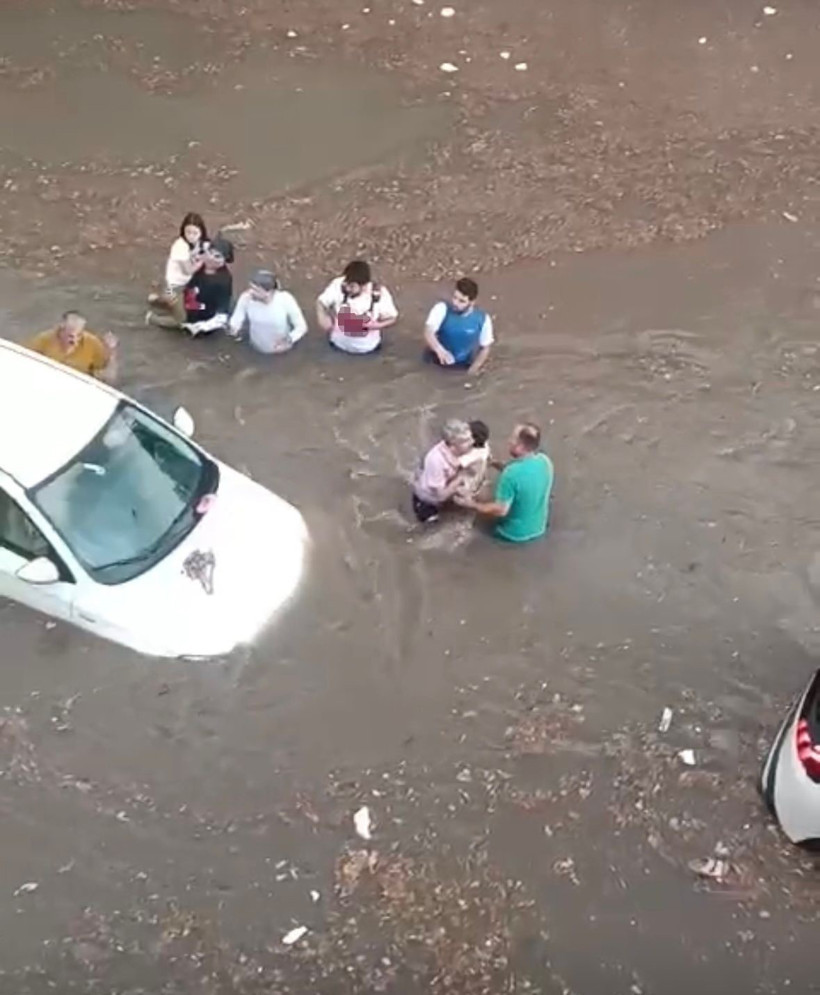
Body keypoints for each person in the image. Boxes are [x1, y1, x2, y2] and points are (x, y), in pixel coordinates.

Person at [456, 423, 553, 542]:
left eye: (512, 439)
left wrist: (471, 504)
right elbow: (522, 475)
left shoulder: (510, 474)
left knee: (474, 524)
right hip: (539, 528)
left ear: (521, 447)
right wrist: (495, 463)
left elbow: (501, 510)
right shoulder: (545, 461)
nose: (509, 441)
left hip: (513, 534)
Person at [147, 237, 234, 335]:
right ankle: (159, 301)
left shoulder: (223, 281)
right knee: (171, 292)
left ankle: (153, 318)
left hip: (198, 312)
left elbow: (222, 313)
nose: (211, 258)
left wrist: (201, 326)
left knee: (179, 320)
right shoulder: (200, 264)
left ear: (225, 260)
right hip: (186, 295)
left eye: (217, 256)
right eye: (210, 252)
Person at [317, 259, 398, 355]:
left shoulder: (379, 294)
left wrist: (376, 326)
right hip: (337, 346)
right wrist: (322, 316)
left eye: (352, 286)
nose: (347, 288)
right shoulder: (338, 284)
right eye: (347, 283)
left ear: (364, 286)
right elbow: (321, 302)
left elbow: (392, 318)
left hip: (368, 350)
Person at [147, 212, 208, 327]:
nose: (191, 236)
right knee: (181, 319)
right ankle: (152, 318)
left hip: (186, 284)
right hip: (174, 286)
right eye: (188, 232)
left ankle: (157, 300)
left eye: (195, 233)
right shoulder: (180, 246)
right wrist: (203, 260)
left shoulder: (198, 243)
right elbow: (188, 270)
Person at [424, 277, 494, 374]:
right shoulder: (442, 309)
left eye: (461, 301)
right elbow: (428, 332)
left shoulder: (483, 319)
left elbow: (485, 347)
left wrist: (474, 369)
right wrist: (440, 351)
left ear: (472, 302)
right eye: (455, 297)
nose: (455, 303)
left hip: (462, 365)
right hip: (434, 360)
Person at [228, 269, 307, 354]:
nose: (251, 292)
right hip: (256, 347)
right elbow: (237, 318)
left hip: (282, 350)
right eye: (250, 288)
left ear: (269, 292)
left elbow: (301, 327)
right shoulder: (246, 298)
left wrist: (289, 339)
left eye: (256, 290)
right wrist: (233, 328)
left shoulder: (285, 300)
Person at [412, 419, 475, 523]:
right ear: (453, 446)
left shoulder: (462, 449)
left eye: (471, 438)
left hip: (447, 485)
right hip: (428, 500)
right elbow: (440, 496)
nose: (472, 442)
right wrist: (461, 478)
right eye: (466, 441)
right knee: (433, 527)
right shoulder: (436, 460)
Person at [28, 311, 119, 382]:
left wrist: (111, 352)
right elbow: (27, 362)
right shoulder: (44, 340)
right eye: (70, 336)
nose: (75, 340)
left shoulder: (93, 344)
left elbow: (109, 378)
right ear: (61, 330)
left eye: (79, 335)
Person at [453, 420, 491, 502]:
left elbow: (455, 464)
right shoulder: (484, 444)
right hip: (477, 476)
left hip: (468, 484)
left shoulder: (473, 455)